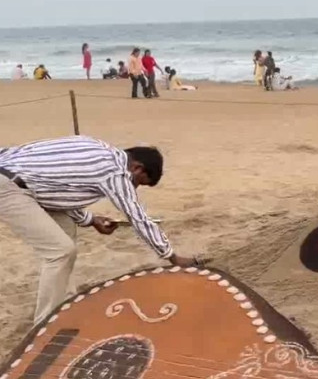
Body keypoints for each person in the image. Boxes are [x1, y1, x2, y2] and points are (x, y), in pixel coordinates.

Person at [0, 136, 199, 324]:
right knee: (60, 251)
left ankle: (64, 305)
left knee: (67, 229)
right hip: (8, 186)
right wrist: (172, 256)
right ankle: (45, 324)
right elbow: (138, 217)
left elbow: (60, 190)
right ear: (137, 168)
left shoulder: (96, 147)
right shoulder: (116, 173)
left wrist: (91, 220)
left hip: (19, 177)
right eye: (138, 183)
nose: (134, 188)